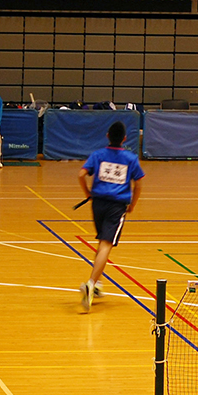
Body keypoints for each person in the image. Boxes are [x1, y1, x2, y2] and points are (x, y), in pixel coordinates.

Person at [77, 121, 145, 311]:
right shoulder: (130, 158)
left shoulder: (98, 155)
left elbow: (81, 175)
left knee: (102, 243)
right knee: (106, 245)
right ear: (124, 139)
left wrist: (88, 194)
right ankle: (91, 284)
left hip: (98, 205)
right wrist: (133, 204)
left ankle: (97, 285)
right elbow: (139, 183)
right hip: (117, 206)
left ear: (107, 135)